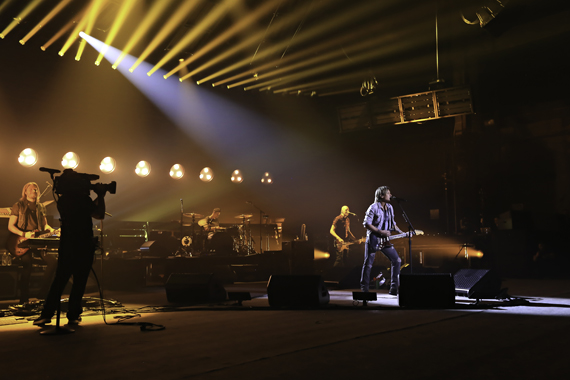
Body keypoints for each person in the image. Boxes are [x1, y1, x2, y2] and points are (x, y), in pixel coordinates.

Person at [34, 170, 107, 326]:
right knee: (79, 282)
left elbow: (87, 211)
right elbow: (99, 214)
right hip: (83, 245)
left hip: (67, 245)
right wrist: (100, 196)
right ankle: (73, 315)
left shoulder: (63, 200)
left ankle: (46, 314)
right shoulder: (83, 199)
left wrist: (96, 198)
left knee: (59, 281)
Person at [6, 182, 58, 304]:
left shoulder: (40, 207)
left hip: (36, 240)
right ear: (25, 191)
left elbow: (44, 224)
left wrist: (51, 230)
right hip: (22, 241)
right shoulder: (18, 205)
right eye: (31, 189)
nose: (34, 191)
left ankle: (42, 294)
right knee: (27, 263)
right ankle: (24, 298)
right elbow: (10, 226)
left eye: (36, 189)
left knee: (52, 262)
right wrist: (24, 234)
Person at [361, 186, 406, 295]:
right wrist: (381, 232)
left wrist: (402, 232)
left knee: (397, 260)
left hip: (385, 240)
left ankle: (394, 289)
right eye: (388, 193)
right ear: (381, 195)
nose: (390, 195)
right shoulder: (373, 207)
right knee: (368, 264)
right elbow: (366, 224)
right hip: (374, 239)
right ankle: (364, 290)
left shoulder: (390, 207)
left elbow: (393, 224)